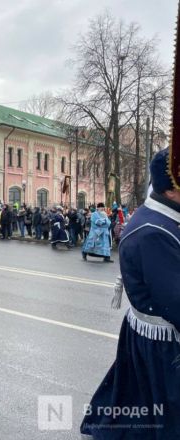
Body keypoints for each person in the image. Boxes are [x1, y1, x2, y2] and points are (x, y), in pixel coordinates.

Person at [80, 148, 180, 438]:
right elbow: (175, 301)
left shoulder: (163, 218)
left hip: (152, 336)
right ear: (172, 188)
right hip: (164, 343)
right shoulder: (154, 231)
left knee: (140, 400)